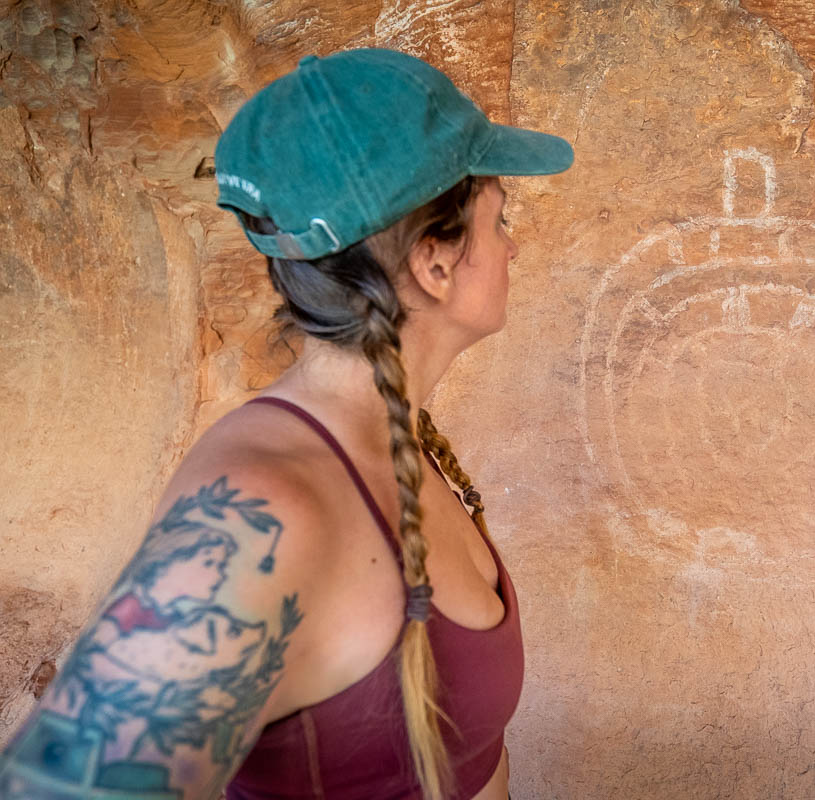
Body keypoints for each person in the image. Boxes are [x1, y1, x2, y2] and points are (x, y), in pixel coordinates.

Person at [0, 48, 573, 800]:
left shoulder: (393, 441)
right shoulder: (263, 512)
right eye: (503, 219)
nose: (513, 246)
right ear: (435, 263)